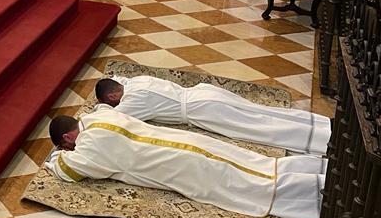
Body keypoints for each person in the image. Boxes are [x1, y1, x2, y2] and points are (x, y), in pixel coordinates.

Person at [47, 108, 325, 218]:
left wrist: (56, 156)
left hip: (175, 164)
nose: (70, 150)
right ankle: (317, 171)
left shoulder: (88, 148)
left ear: (68, 138)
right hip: (185, 141)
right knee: (255, 164)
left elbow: (67, 171)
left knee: (250, 186)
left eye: (66, 145)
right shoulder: (101, 114)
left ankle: (322, 193)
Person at [95, 75, 330, 155]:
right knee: (260, 113)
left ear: (114, 97)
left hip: (201, 110)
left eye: (110, 102)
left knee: (256, 127)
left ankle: (323, 141)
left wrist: (100, 108)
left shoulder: (132, 101)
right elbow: (119, 79)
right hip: (204, 92)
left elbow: (112, 119)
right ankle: (322, 125)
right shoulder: (137, 81)